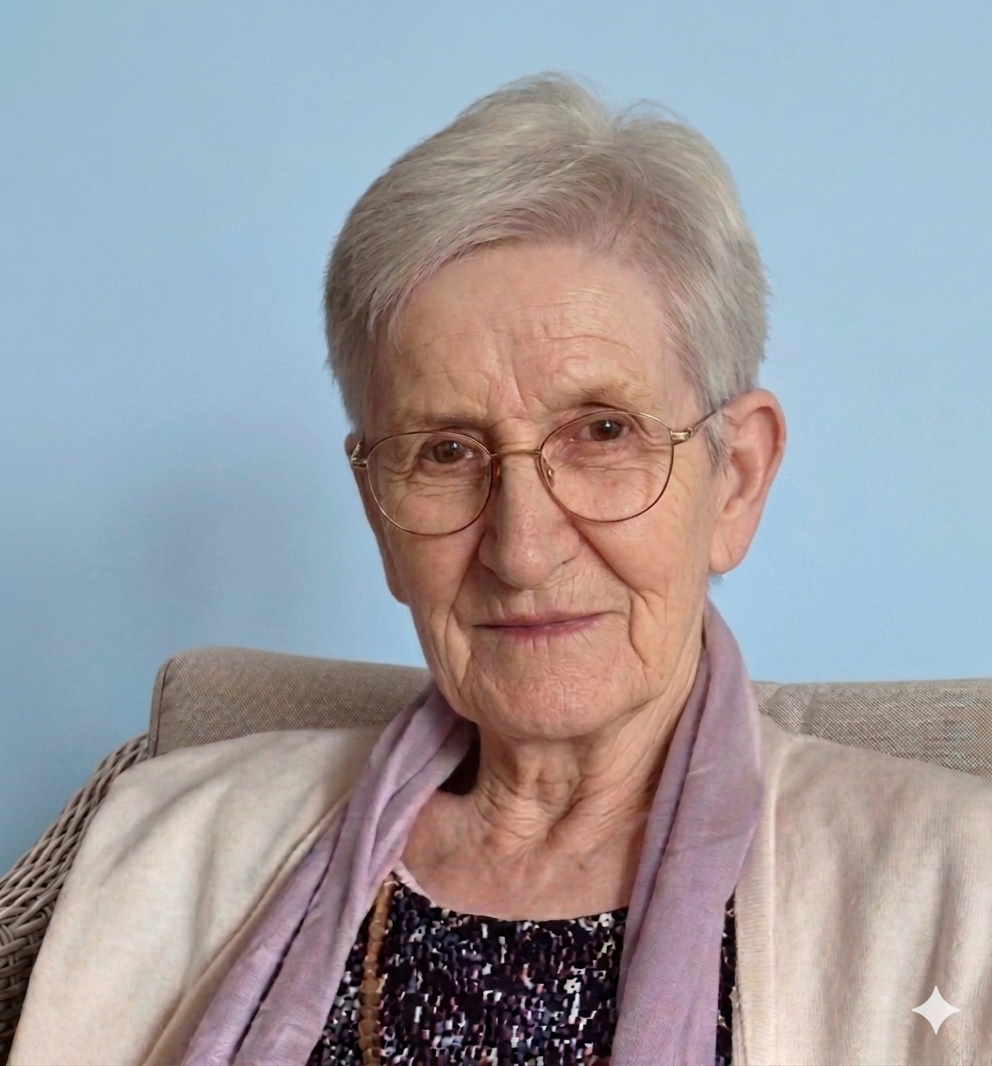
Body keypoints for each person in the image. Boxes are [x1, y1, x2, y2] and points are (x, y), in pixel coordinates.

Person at [10, 74, 992, 1066]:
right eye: (444, 452)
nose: (521, 550)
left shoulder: (952, 885)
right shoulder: (167, 848)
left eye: (601, 433)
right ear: (377, 511)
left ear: (733, 480)